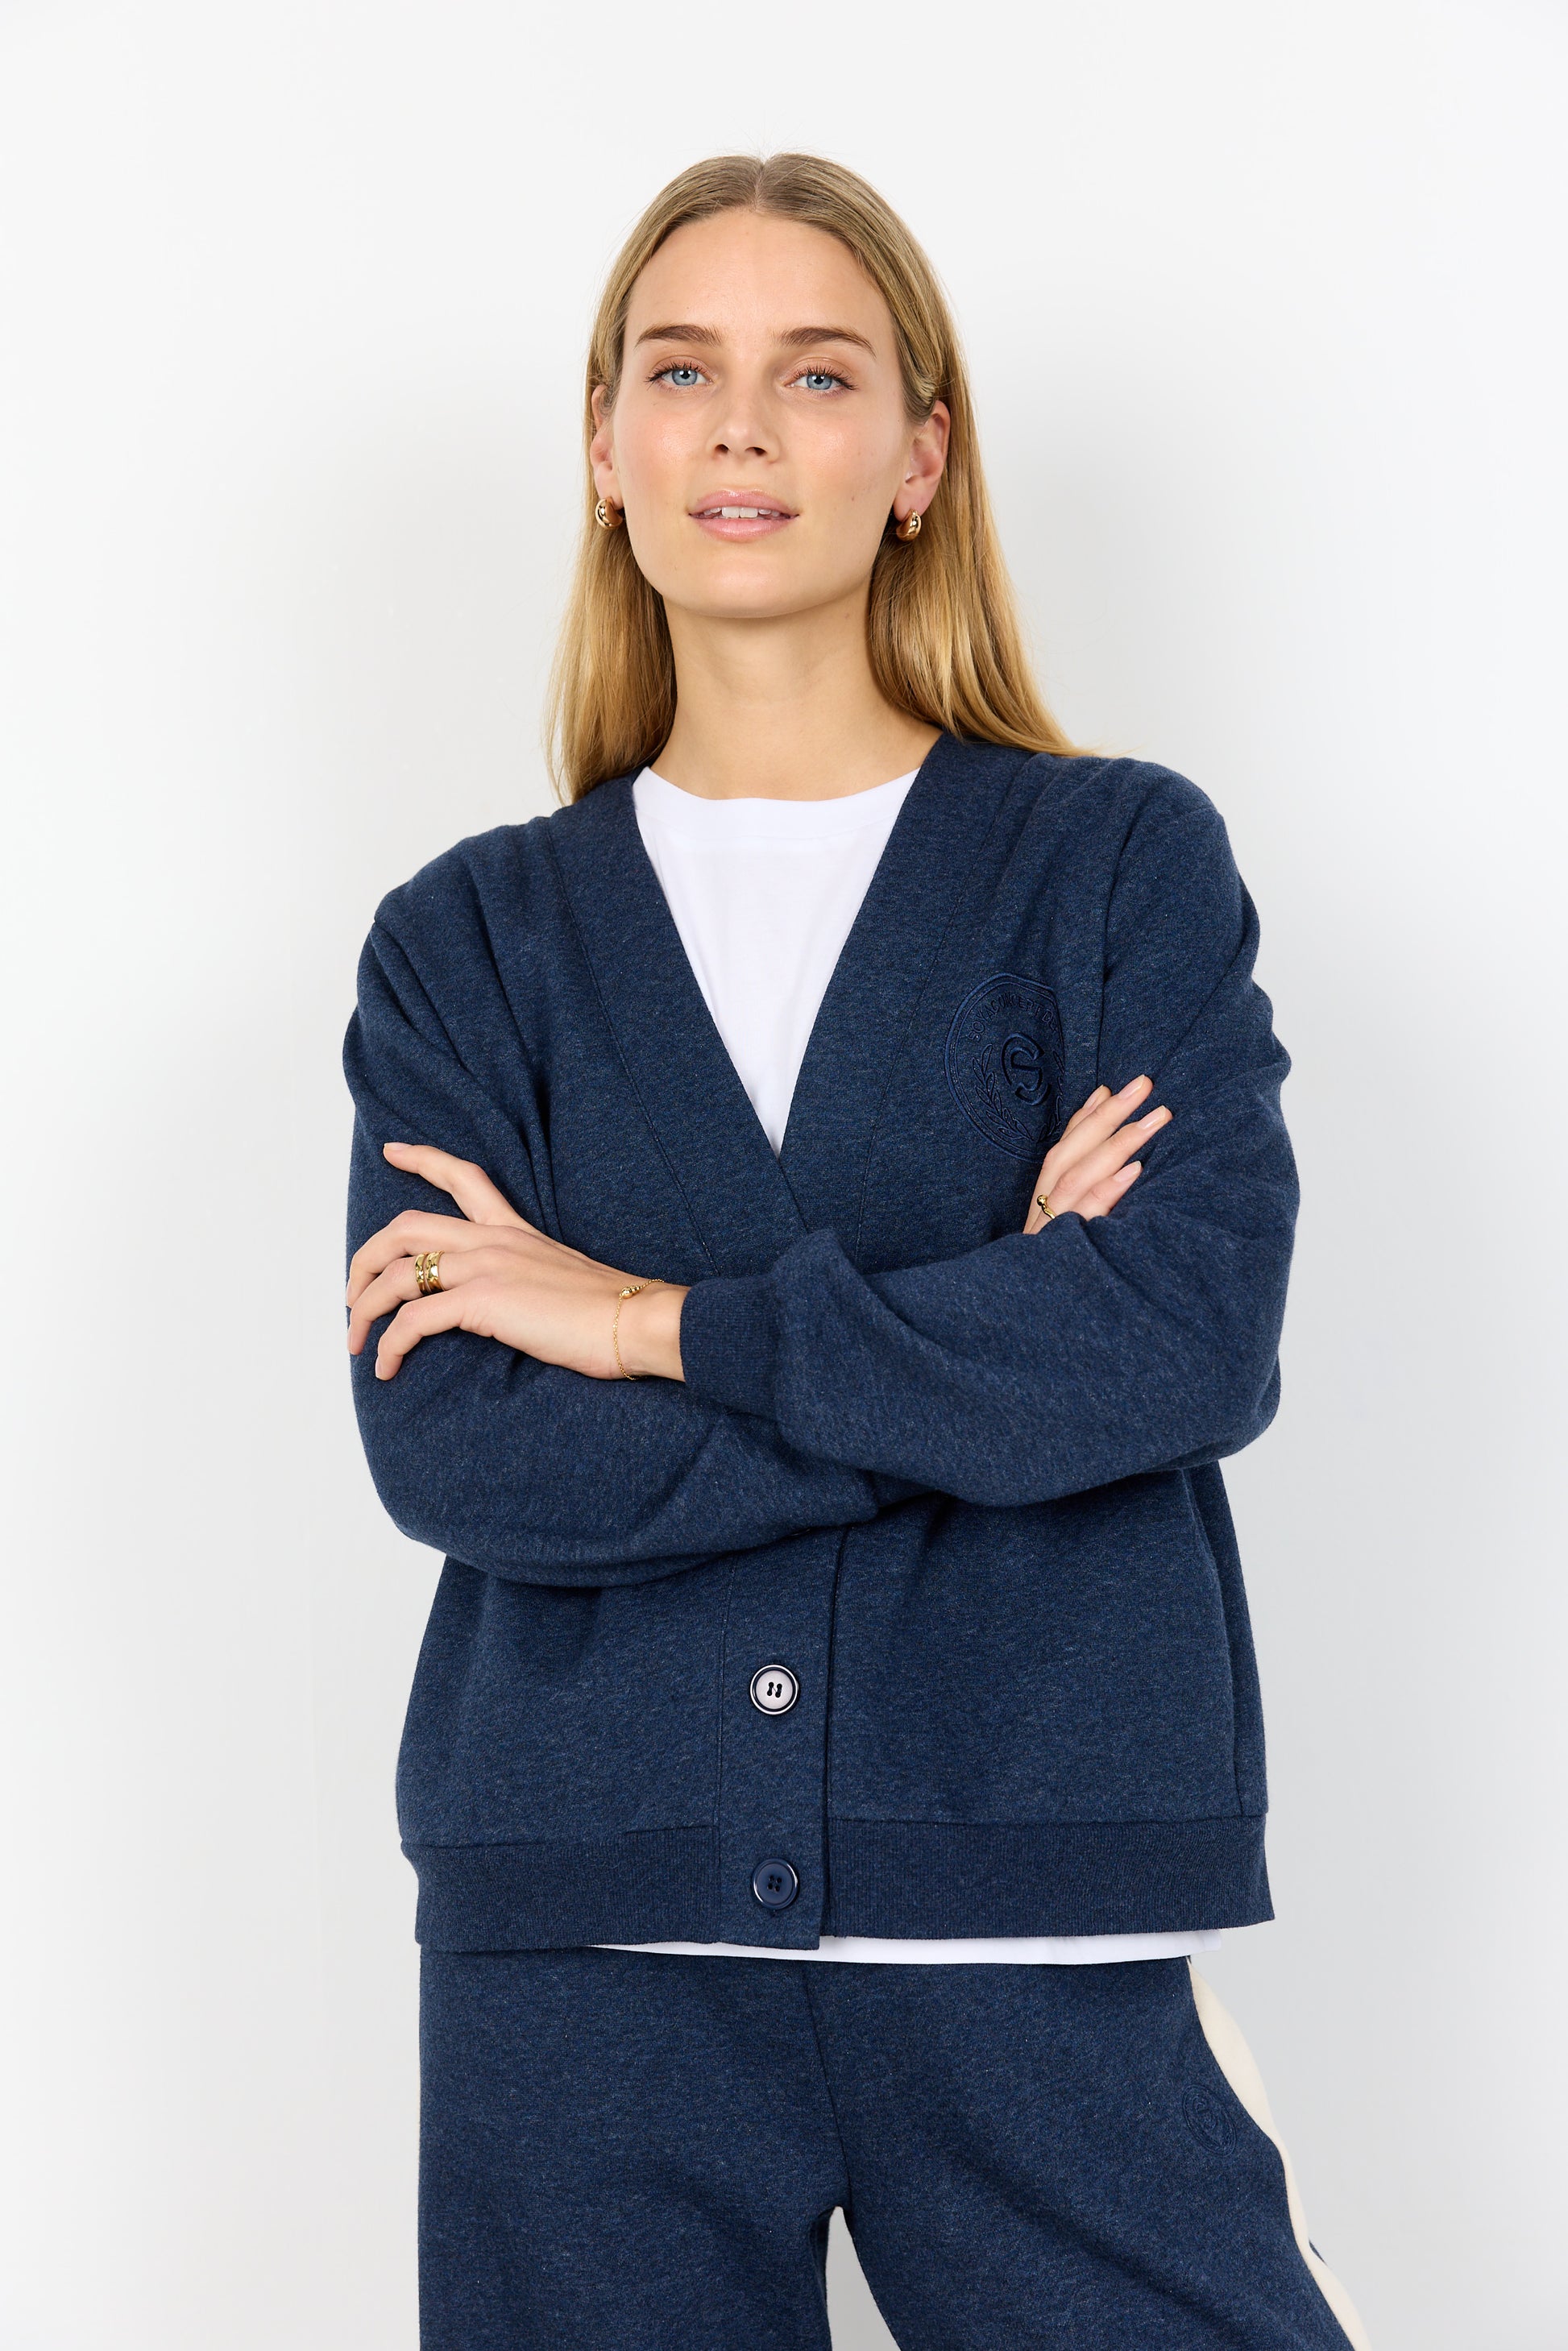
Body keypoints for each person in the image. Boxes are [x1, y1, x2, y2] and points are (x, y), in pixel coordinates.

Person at [342, 152, 1370, 2351]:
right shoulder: (469, 944)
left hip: (1033, 1920)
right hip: (583, 1942)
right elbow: (467, 1452)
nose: (740, 427)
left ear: (918, 457)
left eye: (816, 374)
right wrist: (988, 1335)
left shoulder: (1112, 865)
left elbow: (1185, 1341)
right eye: (677, 372)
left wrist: (639, 1323)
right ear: (602, 447)